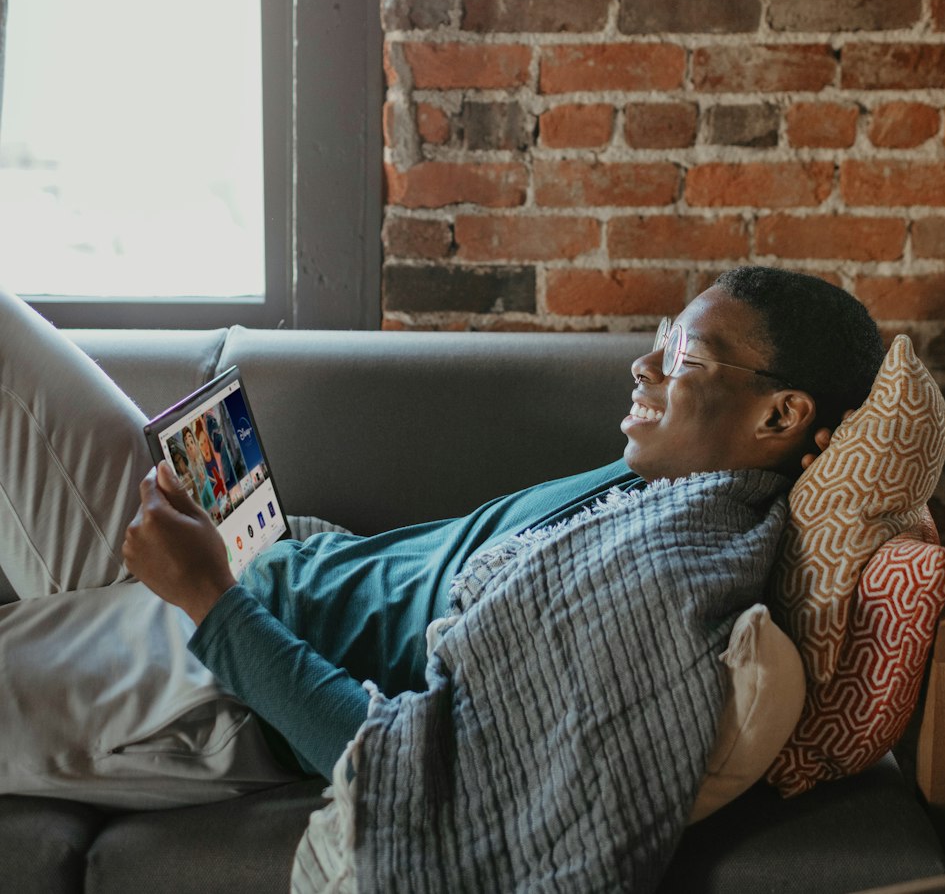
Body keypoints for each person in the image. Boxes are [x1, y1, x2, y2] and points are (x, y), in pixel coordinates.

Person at [0, 266, 884, 814]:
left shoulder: (661, 578)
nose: (643, 367)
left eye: (682, 357)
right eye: (659, 343)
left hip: (210, 674)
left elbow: (400, 773)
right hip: (267, 571)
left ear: (780, 413)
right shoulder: (660, 479)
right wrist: (290, 548)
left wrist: (208, 597)